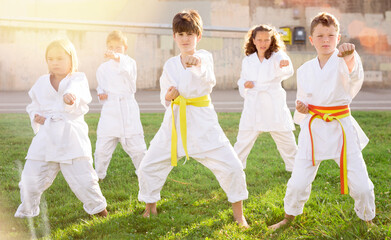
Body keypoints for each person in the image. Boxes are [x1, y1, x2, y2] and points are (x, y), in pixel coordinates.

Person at [136, 9, 249, 227]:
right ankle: (150, 207)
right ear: (174, 37)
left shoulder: (204, 57)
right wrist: (169, 96)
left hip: (203, 123)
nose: (185, 39)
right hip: (174, 124)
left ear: (198, 36)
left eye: (190, 34)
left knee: (232, 166)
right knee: (148, 165)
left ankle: (239, 214)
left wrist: (195, 65)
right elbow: (165, 96)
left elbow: (207, 81)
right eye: (181, 34)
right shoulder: (170, 64)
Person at [269, 12, 375, 230]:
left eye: (330, 35)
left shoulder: (346, 59)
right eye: (320, 36)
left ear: (338, 38)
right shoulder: (305, 69)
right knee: (298, 182)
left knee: (362, 186)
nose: (326, 40)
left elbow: (354, 77)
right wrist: (301, 107)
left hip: (341, 129)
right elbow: (303, 100)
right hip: (314, 128)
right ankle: (289, 216)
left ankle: (367, 217)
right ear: (311, 40)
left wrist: (349, 57)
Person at [15, 39, 107, 218]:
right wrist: (37, 116)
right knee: (29, 179)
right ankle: (28, 210)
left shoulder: (77, 79)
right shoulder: (42, 82)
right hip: (46, 137)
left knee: (84, 180)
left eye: (59, 58)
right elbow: (34, 106)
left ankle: (99, 210)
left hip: (70, 137)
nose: (54, 62)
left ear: (71, 59)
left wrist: (69, 99)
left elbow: (75, 93)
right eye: (50, 59)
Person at [234, 24, 297, 171]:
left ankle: (296, 168)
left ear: (272, 40)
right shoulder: (248, 60)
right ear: (253, 40)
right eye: (260, 40)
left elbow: (285, 66)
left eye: (266, 40)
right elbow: (242, 80)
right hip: (254, 104)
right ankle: (235, 168)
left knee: (286, 140)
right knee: (243, 140)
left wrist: (283, 63)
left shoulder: (277, 56)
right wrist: (245, 84)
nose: (263, 43)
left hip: (273, 103)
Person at [94, 30, 146, 180]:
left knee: (138, 148)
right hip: (110, 111)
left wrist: (117, 57)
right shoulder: (102, 69)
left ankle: (143, 172)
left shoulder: (130, 63)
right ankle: (99, 174)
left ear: (125, 48)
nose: (114, 50)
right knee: (102, 147)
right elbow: (101, 86)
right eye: (111, 47)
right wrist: (101, 93)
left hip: (128, 108)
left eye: (118, 47)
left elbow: (130, 82)